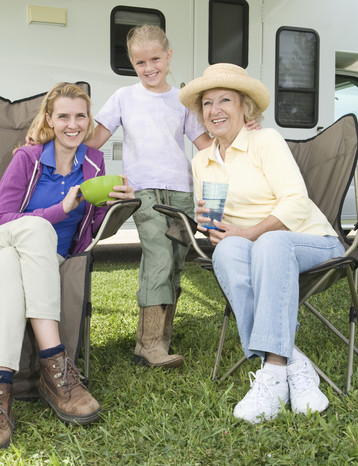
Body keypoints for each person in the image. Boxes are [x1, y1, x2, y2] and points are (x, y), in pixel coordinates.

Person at [0, 82, 134, 454]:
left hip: (40, 260)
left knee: (9, 267)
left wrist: (115, 202)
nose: (73, 124)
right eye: (64, 116)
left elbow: (95, 223)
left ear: (89, 120)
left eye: (81, 116)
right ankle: (55, 365)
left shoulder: (94, 163)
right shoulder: (28, 158)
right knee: (32, 232)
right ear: (50, 121)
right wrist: (60, 210)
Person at [178, 63, 345, 423]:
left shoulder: (265, 141)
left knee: (269, 243)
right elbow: (216, 225)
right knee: (226, 249)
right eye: (208, 102)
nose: (215, 109)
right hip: (254, 249)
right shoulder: (201, 161)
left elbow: (296, 202)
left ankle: (271, 372)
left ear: (244, 108)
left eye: (226, 100)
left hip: (313, 241)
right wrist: (211, 225)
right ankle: (296, 366)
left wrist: (251, 233)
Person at [85, 25, 257, 368]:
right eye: (139, 62)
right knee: (159, 256)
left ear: (168, 56)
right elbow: (94, 140)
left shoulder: (182, 101)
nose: (149, 68)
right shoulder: (124, 97)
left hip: (182, 191)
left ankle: (157, 339)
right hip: (143, 191)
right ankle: (150, 345)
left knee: (176, 261)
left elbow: (206, 145)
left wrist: (241, 133)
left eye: (155, 59)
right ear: (131, 63)